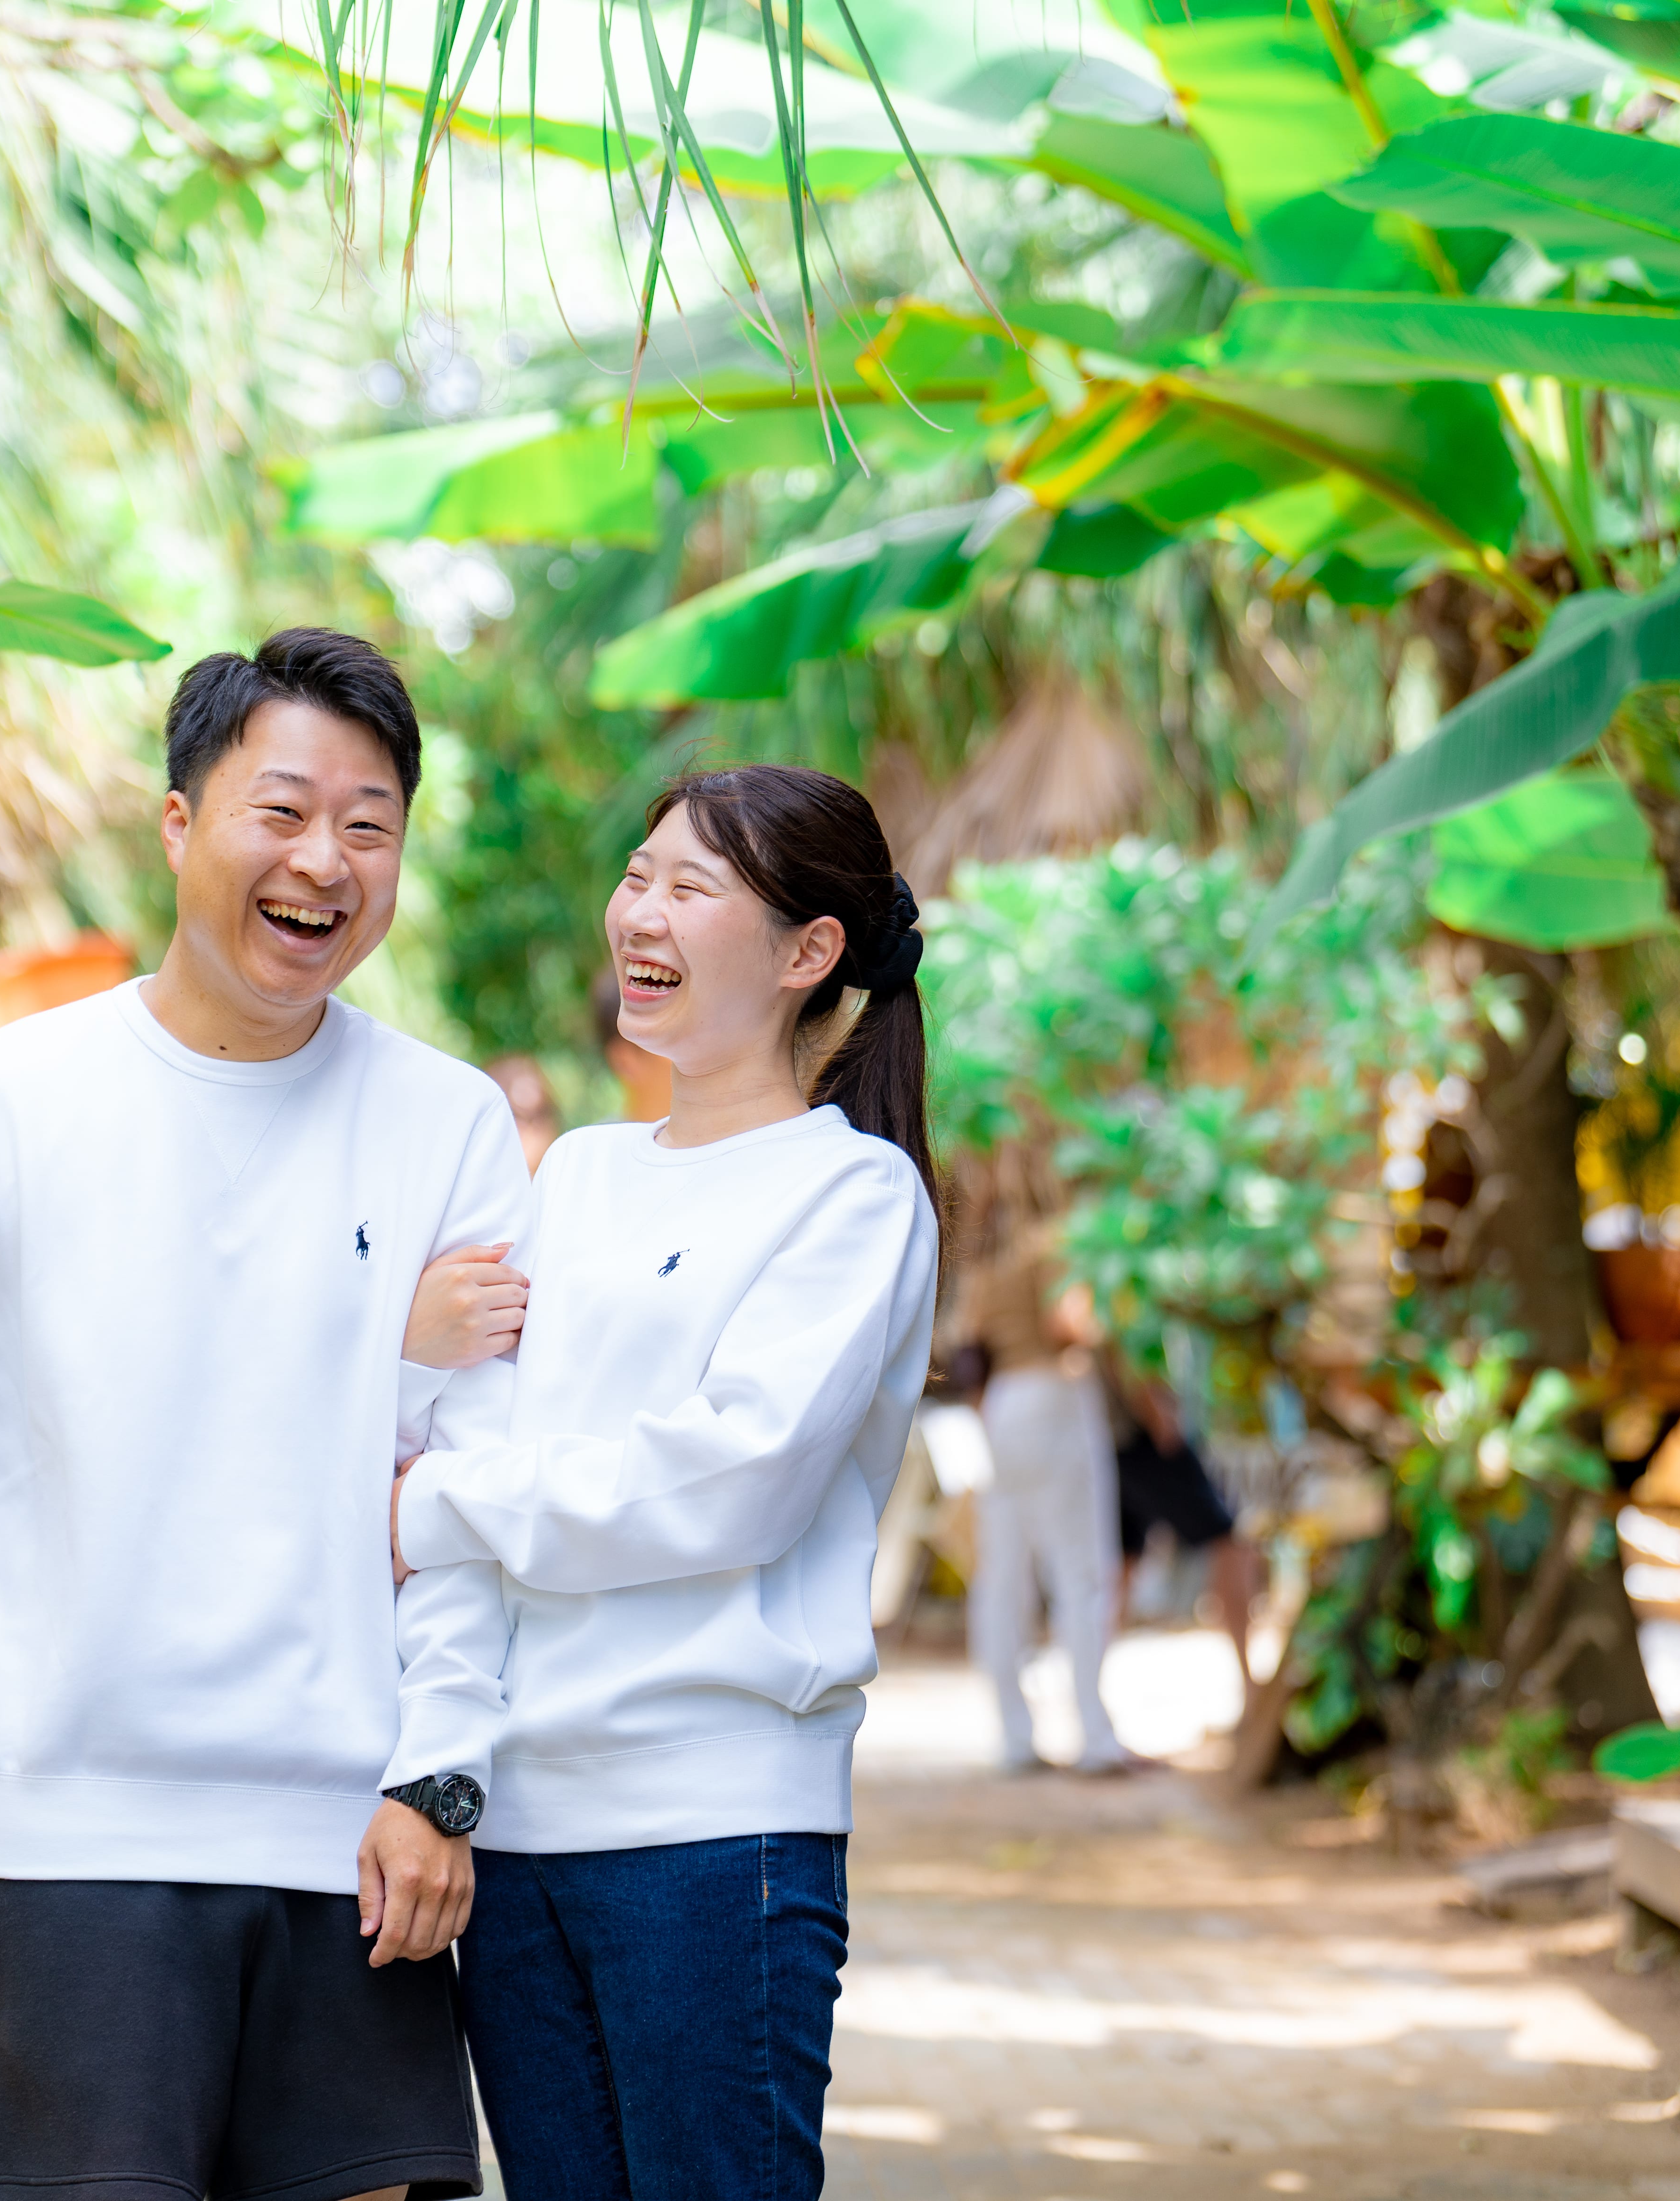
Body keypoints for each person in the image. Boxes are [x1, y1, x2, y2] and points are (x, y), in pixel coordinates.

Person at [0, 630, 529, 2201]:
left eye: (366, 824)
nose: (321, 861)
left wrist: (437, 1778)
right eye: (279, 810)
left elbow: (478, 1491)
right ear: (177, 823)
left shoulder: (448, 1121)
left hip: (352, 1856)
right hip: (67, 1849)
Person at [390, 765, 944, 2201]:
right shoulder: (570, 1175)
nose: (636, 911)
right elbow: (471, 1429)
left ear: (804, 952)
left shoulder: (851, 1195)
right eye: (635, 876)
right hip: (513, 1845)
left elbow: (723, 1482)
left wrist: (425, 1510)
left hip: (716, 1837)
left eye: (689, 888)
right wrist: (443, 1775)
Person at [962, 1233, 1129, 1774]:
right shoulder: (1056, 1246)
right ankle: (1096, 1736)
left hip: (1002, 1405)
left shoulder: (989, 1263)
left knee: (1003, 1578)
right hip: (1054, 1396)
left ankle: (1015, 1736)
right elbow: (1068, 1325)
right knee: (1080, 1573)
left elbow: (968, 1339)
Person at [1110, 1364, 1258, 1689]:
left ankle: (1089, 1695)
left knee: (1120, 1569)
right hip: (1144, 1436)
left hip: (1113, 1443)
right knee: (1230, 1544)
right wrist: (1160, 1413)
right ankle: (1250, 1685)